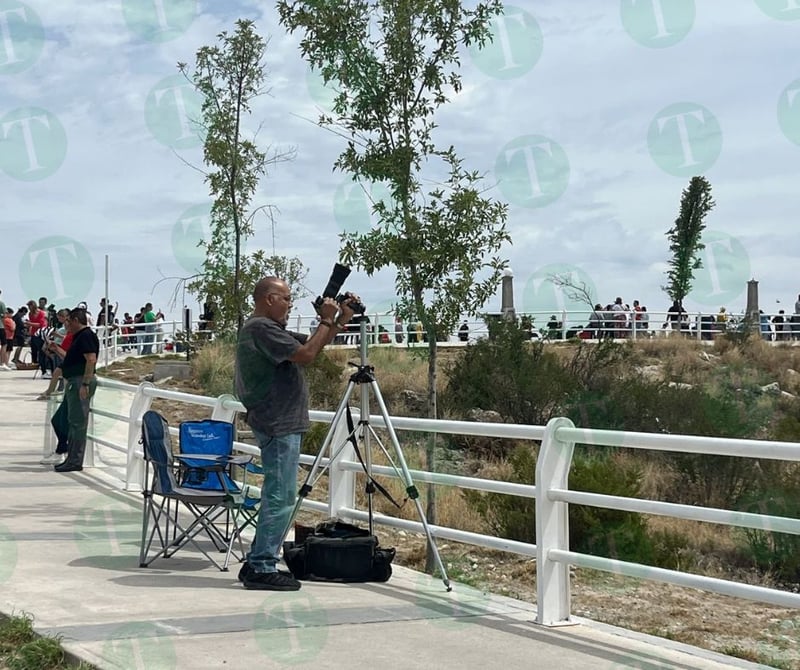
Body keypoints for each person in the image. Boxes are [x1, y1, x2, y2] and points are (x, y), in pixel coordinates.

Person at [234, 276, 357, 591]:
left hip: (280, 420)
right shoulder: (260, 328)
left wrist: (339, 319)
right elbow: (305, 355)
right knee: (280, 495)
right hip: (277, 421)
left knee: (281, 494)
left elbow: (312, 345)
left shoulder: (269, 330)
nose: (290, 304)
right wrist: (327, 318)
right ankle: (260, 565)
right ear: (270, 299)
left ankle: (261, 561)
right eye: (287, 298)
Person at [54, 308, 99, 473]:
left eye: (68, 321)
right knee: (68, 419)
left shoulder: (86, 336)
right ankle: (70, 456)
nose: (67, 325)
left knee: (77, 422)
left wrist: (85, 384)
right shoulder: (79, 337)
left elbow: (91, 359)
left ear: (75, 320)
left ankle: (74, 460)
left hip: (80, 381)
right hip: (75, 380)